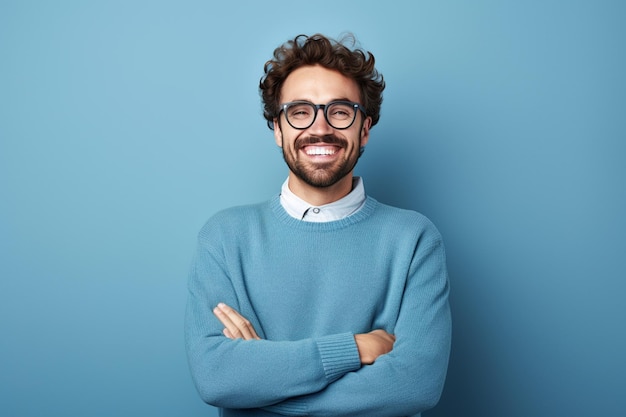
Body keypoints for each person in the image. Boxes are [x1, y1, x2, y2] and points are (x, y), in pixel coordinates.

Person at [185, 33, 451, 417]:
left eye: (340, 111)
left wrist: (264, 390)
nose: (320, 128)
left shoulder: (414, 239)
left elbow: (415, 385)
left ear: (364, 129)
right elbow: (217, 377)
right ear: (278, 129)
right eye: (300, 111)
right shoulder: (224, 238)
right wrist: (356, 349)